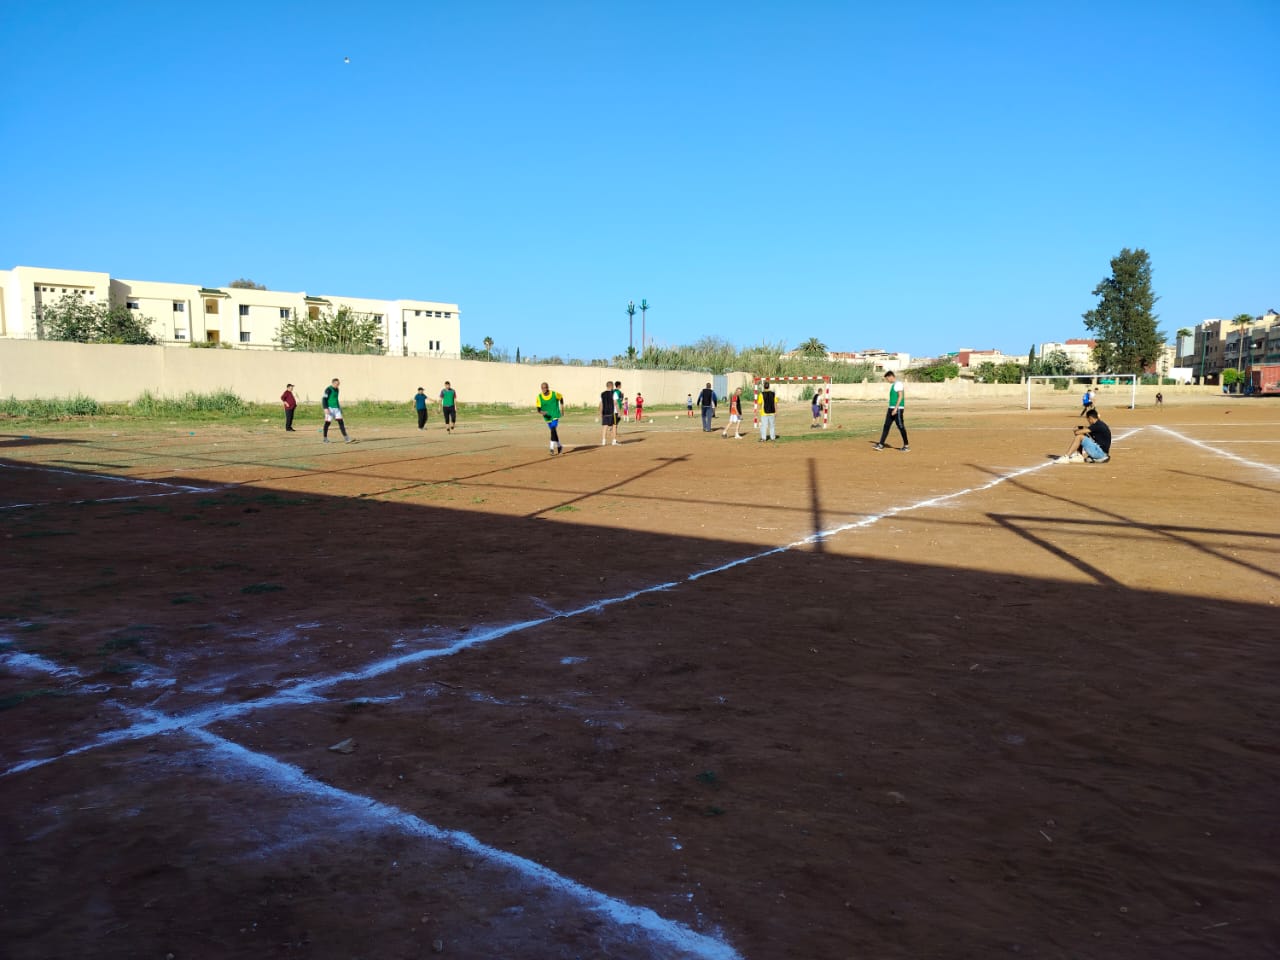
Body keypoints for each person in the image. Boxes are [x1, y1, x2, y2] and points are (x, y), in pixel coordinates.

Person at [873, 370, 908, 452]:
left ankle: (906, 446)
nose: (887, 381)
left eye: (887, 379)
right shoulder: (894, 385)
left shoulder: (898, 384)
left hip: (898, 409)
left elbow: (900, 396)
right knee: (886, 426)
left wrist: (895, 409)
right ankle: (881, 444)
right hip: (891, 408)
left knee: (901, 427)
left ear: (890, 376)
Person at [536, 382, 566, 455]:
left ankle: (551, 448)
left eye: (545, 387)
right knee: (553, 432)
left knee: (553, 429)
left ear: (548, 387)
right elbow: (538, 409)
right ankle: (559, 446)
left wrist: (562, 408)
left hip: (555, 415)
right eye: (542, 388)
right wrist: (543, 412)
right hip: (547, 417)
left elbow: (561, 397)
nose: (544, 389)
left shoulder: (554, 394)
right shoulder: (539, 397)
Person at [321, 378, 353, 443]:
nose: (337, 385)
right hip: (329, 408)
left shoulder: (337, 389)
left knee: (341, 422)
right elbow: (324, 399)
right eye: (336, 384)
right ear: (333, 383)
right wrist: (325, 408)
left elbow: (336, 399)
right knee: (327, 423)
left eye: (338, 384)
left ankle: (346, 438)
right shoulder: (328, 389)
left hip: (336, 408)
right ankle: (325, 438)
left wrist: (339, 408)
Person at [599, 380, 618, 446]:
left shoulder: (602, 394)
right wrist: (619, 411)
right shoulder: (614, 393)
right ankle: (614, 441)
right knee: (614, 426)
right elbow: (615, 403)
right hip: (613, 412)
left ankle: (603, 441)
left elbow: (601, 404)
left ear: (606, 386)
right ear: (612, 386)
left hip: (605, 412)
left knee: (605, 426)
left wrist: (600, 412)